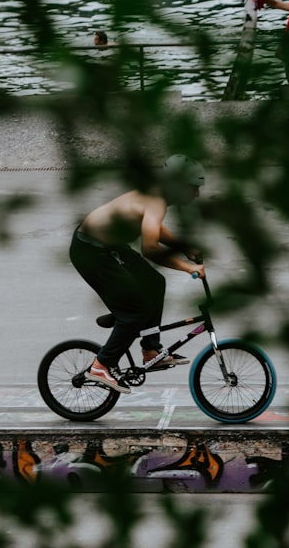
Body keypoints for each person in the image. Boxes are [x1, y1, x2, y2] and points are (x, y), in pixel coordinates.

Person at [70, 155, 207, 393]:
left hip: (108, 246)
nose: (196, 194)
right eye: (193, 187)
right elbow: (150, 248)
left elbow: (154, 226)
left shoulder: (158, 196)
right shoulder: (156, 199)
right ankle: (101, 365)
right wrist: (188, 267)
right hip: (90, 250)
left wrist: (183, 247)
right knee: (134, 312)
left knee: (155, 282)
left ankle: (151, 350)